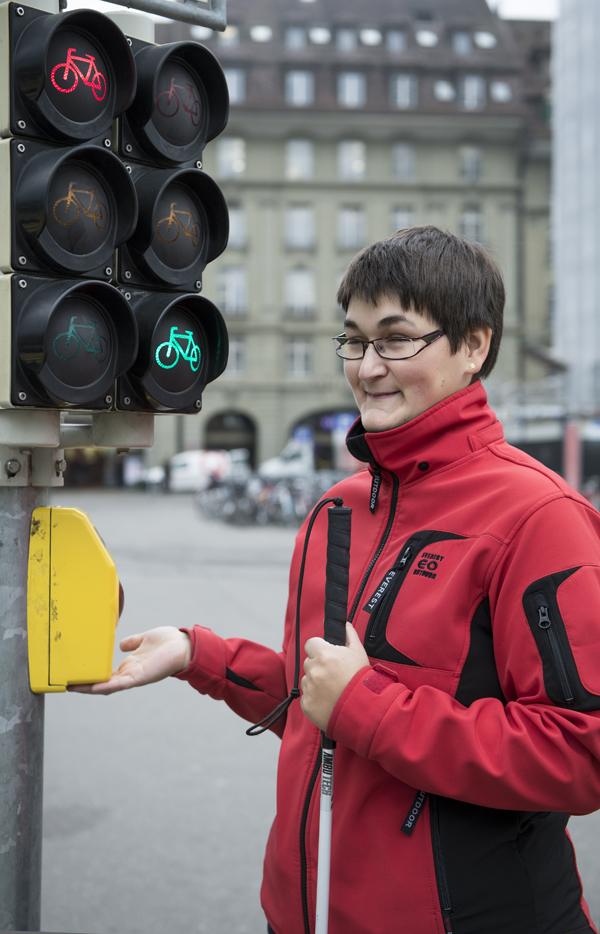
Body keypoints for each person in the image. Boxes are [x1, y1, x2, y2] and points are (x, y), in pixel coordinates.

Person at [72, 226, 600, 934]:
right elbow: (315, 698)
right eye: (353, 339)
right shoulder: (338, 508)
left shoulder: (540, 516)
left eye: (396, 338)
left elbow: (579, 750)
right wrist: (200, 655)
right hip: (302, 915)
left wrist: (368, 708)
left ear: (474, 345)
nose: (367, 366)